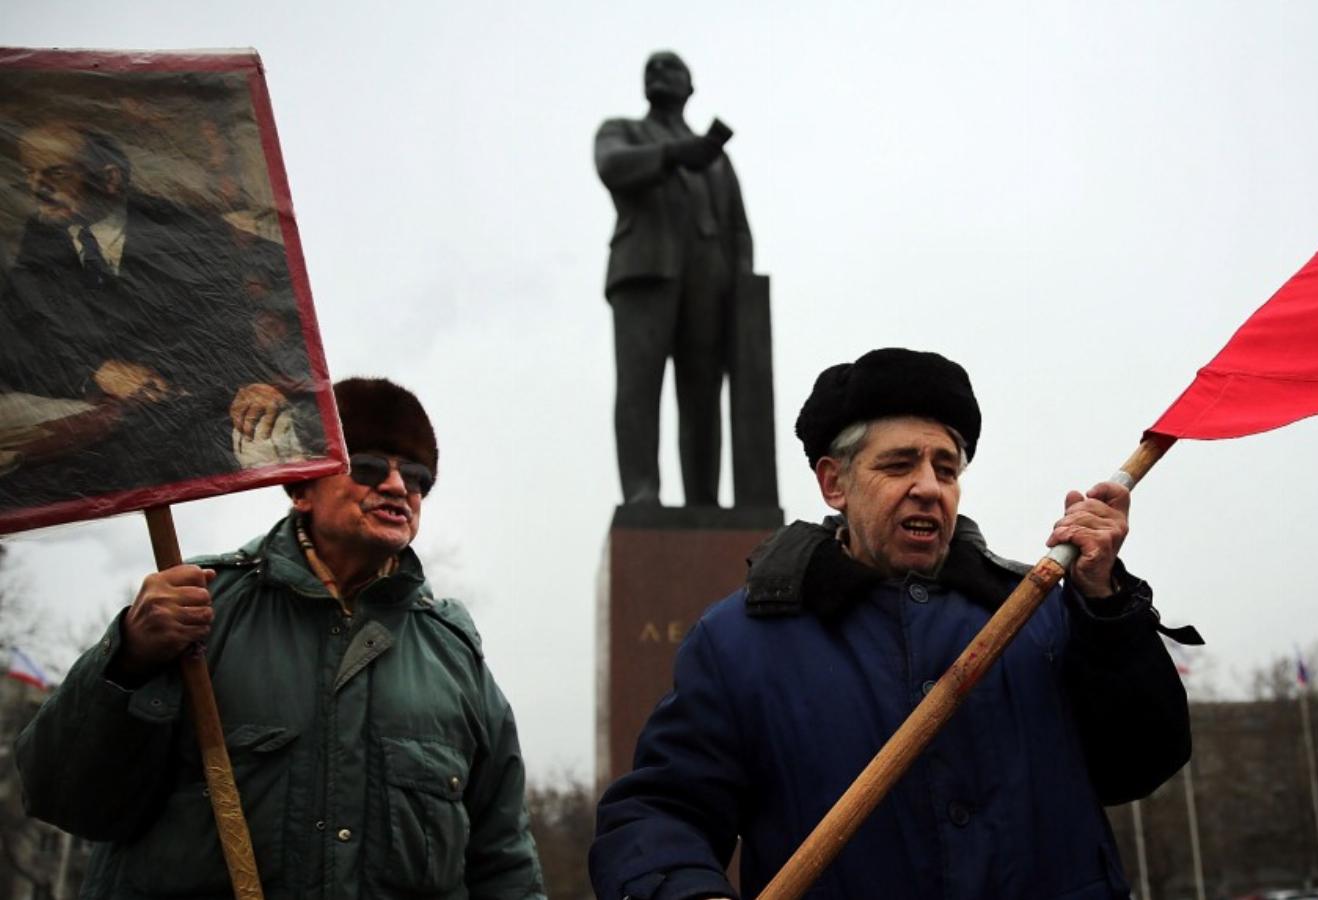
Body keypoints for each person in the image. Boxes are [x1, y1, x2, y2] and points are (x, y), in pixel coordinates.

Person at [589, 348, 1196, 899]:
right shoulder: (739, 643)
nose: (929, 488)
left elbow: (1140, 762)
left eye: (946, 467)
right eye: (900, 464)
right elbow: (661, 812)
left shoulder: (1046, 615)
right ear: (835, 483)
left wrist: (1108, 606)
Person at [15, 377, 546, 899]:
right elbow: (63, 796)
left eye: (417, 477)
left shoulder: (454, 654)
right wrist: (128, 658)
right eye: (366, 467)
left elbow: (504, 862)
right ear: (301, 488)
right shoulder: (198, 604)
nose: (395, 486)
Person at [0, 121, 320, 511]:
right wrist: (96, 371)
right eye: (29, 175)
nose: (37, 188)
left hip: (211, 416)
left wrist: (270, 382)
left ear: (110, 179)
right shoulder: (44, 236)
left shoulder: (187, 232)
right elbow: (17, 339)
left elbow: (280, 316)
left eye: (56, 173)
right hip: (118, 431)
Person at [595, 51, 753, 506]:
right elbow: (612, 166)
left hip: (710, 283)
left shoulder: (718, 161)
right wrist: (675, 153)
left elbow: (739, 228)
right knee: (639, 389)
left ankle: (704, 499)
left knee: (703, 396)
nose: (659, 71)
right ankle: (642, 492)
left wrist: (742, 288)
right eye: (652, 68)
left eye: (672, 67)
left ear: (691, 87)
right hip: (645, 273)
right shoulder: (622, 131)